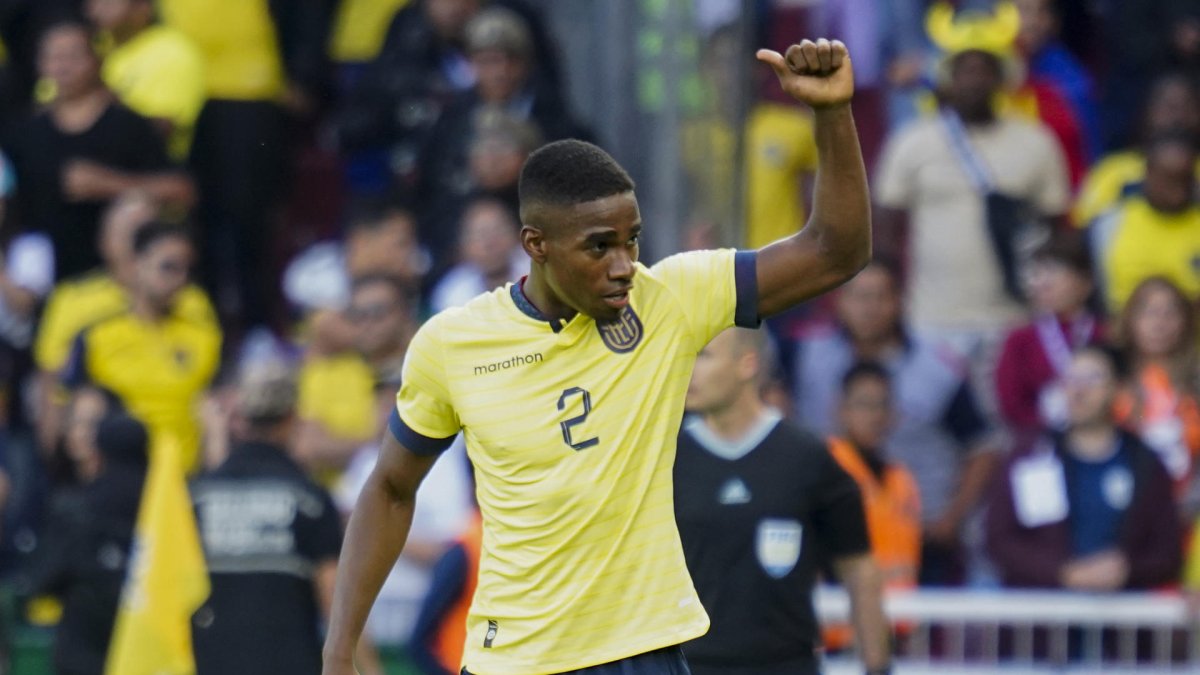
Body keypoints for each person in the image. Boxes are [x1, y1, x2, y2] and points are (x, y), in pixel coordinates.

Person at [324, 37, 871, 675]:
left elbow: (837, 250)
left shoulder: (672, 298)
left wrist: (833, 115)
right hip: (512, 661)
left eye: (632, 239)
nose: (624, 266)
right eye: (599, 246)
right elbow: (391, 487)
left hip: (640, 654)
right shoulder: (453, 343)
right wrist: (340, 650)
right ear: (537, 245)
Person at [875, 3, 1069, 398]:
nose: (974, 80)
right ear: (946, 78)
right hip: (929, 321)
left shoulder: (1037, 143)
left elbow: (1058, 233)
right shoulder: (911, 141)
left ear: (1003, 78)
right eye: (963, 70)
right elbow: (885, 230)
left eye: (984, 70)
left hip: (1014, 322)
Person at [674, 328, 889, 674]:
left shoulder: (808, 458)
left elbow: (859, 568)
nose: (686, 368)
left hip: (787, 666)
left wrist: (878, 668)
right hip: (690, 667)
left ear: (747, 364)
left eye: (703, 355)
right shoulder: (666, 458)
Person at [793, 261, 1000, 586]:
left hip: (918, 541)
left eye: (880, 297)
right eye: (859, 297)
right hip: (823, 536)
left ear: (900, 300)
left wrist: (950, 520)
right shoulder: (805, 355)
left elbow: (982, 448)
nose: (869, 308)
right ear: (839, 301)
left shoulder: (938, 367)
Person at [191, 365, 381, 675]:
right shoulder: (308, 499)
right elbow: (335, 597)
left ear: (239, 420)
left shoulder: (197, 497)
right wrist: (368, 669)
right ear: (293, 418)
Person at [4, 20, 194, 279]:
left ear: (97, 61)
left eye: (73, 56)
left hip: (116, 278)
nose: (63, 67)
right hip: (44, 277)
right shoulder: (26, 132)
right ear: (40, 65)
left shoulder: (127, 124)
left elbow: (182, 190)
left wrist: (110, 184)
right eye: (54, 57)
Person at [34, 190, 217, 454]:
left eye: (149, 232)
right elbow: (55, 384)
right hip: (114, 458)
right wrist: (50, 456)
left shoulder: (192, 301)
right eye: (131, 235)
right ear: (104, 242)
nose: (138, 243)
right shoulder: (74, 300)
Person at [985, 346, 1182, 590]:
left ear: (1119, 389)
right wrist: (1064, 573)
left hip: (1122, 621)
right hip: (1043, 619)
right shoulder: (1031, 455)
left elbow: (1167, 551)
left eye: (1092, 379)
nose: (1078, 390)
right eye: (1071, 379)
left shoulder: (1145, 461)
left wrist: (1127, 569)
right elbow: (999, 539)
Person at [63, 222, 221, 471]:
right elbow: (75, 415)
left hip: (186, 479)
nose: (180, 279)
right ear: (136, 264)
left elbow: (216, 411)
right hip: (121, 480)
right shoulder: (98, 336)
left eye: (186, 269)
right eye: (168, 267)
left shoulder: (204, 336)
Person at [25, 414, 149, 675]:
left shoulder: (77, 508)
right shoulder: (166, 513)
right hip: (147, 650)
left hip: (84, 652)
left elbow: (43, 579)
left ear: (99, 452)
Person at [994, 232, 1103, 437]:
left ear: (1086, 283)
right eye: (1037, 273)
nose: (1043, 282)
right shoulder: (1020, 338)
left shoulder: (1105, 333)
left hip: (1100, 436)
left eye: (1055, 271)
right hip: (1040, 444)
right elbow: (1011, 405)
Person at [1089, 134, 1200, 311]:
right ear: (1147, 175)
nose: (1177, 192)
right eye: (1169, 181)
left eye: (1184, 180)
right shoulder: (1111, 223)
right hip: (1122, 334)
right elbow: (1095, 296)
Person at [85, 0, 207, 161]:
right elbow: (47, 112)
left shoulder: (172, 51)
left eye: (108, 3)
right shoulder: (85, 50)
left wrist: (98, 104)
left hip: (145, 169)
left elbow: (164, 127)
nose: (95, 11)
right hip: (75, 160)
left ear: (143, 7)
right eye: (93, 3)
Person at [1073, 74, 1200, 228]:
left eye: (1189, 108)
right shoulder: (1112, 172)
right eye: (1168, 107)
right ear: (1147, 114)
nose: (1178, 118)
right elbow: (1086, 232)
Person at [1114, 277, 1200, 500]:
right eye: (1149, 312)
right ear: (1130, 319)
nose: (1159, 323)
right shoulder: (1112, 377)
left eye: (1170, 313)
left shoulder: (1196, 380)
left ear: (1186, 321)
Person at [431, 198, 528, 313]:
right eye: (480, 235)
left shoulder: (542, 273)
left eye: (498, 230)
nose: (491, 243)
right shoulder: (451, 293)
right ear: (463, 246)